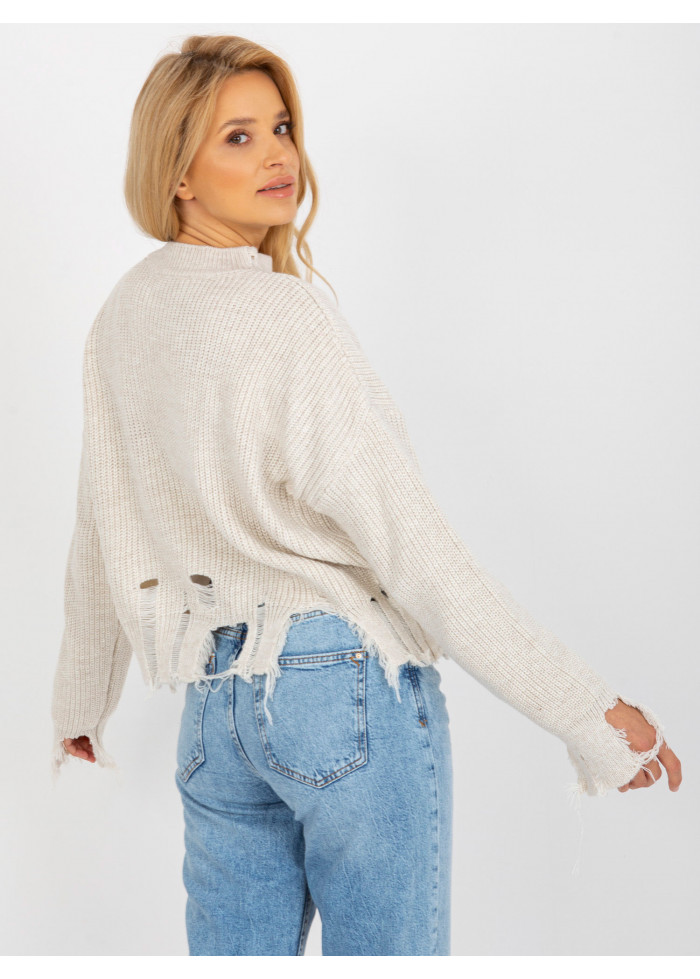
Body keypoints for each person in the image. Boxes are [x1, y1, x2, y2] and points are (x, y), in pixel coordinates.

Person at [51, 34, 682, 956]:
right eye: (237, 137)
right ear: (177, 172)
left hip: (211, 712)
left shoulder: (122, 316)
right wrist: (586, 712)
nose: (278, 155)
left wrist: (79, 702)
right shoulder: (285, 316)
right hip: (339, 685)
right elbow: (415, 551)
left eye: (281, 127)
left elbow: (100, 528)